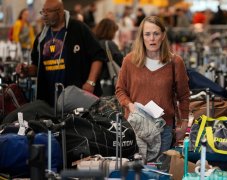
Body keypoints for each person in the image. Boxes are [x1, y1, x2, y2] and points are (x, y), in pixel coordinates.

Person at [115, 16, 190, 157]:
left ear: (163, 36)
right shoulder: (129, 61)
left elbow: (184, 95)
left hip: (164, 128)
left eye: (156, 34)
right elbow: (120, 90)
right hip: (136, 126)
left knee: (161, 173)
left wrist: (184, 122)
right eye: (147, 34)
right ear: (142, 37)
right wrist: (130, 106)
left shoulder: (175, 62)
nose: (152, 39)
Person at [15, 0, 106, 106]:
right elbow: (37, 66)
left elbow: (98, 56)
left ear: (60, 12)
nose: (44, 15)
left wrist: (91, 82)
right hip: (49, 101)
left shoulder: (78, 28)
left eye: (48, 12)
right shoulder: (41, 38)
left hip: (78, 97)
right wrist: (26, 70)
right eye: (43, 12)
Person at [94, 18, 123, 95]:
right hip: (109, 81)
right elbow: (121, 61)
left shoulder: (94, 42)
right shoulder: (109, 44)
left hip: (95, 82)